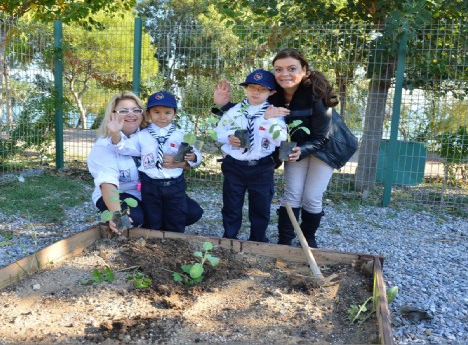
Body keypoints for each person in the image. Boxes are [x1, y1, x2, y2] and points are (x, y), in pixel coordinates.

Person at [214, 48, 340, 248]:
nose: (284, 74)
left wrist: (298, 148)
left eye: (292, 68)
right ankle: (284, 241)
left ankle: (308, 239)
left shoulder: (316, 94)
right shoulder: (275, 94)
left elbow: (321, 136)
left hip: (324, 146)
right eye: (278, 69)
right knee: (292, 193)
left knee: (312, 196)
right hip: (290, 145)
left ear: (305, 70)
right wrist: (224, 106)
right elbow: (249, 112)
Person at [87, 91, 203, 233]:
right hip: (121, 193)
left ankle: (166, 235)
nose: (131, 114)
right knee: (133, 218)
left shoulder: (156, 134)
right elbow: (108, 184)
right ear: (112, 115)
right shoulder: (106, 144)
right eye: (124, 110)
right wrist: (117, 215)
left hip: (150, 190)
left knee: (190, 211)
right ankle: (127, 227)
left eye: (136, 110)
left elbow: (189, 156)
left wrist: (179, 163)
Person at [214, 69, 287, 242]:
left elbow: (280, 140)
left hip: (261, 167)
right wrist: (229, 137)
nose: (256, 92)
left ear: (272, 92)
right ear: (245, 88)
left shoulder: (274, 113)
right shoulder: (235, 111)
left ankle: (258, 239)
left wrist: (267, 121)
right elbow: (218, 132)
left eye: (262, 89)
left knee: (260, 205)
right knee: (231, 204)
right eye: (252, 87)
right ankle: (230, 237)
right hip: (234, 165)